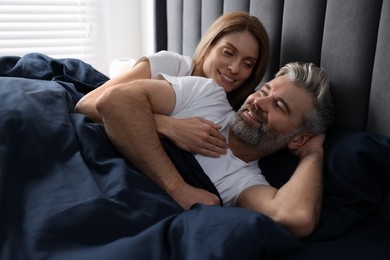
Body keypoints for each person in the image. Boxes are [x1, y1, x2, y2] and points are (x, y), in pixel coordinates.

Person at [93, 62, 335, 238]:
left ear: (298, 139)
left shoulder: (244, 182)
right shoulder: (206, 95)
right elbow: (114, 100)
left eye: (279, 105)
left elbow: (296, 217)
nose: (258, 103)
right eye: (264, 91)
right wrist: (176, 184)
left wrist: (313, 153)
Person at [75, 11, 269, 158]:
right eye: (228, 52)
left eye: (247, 64)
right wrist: (168, 126)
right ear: (209, 46)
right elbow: (86, 105)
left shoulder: (237, 110)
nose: (235, 68)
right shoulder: (172, 64)